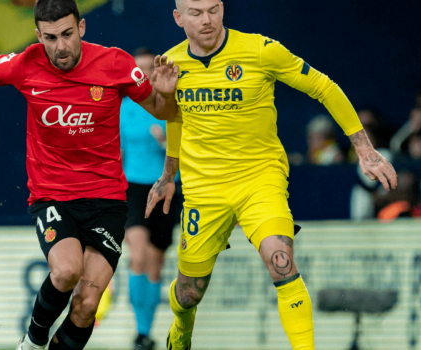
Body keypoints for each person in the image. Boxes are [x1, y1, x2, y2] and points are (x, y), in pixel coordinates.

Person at [0, 1, 180, 349]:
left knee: (87, 305)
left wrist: (166, 94)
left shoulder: (115, 63)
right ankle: (32, 341)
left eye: (67, 34)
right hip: (52, 194)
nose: (61, 46)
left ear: (83, 28)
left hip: (107, 200)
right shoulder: (26, 63)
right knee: (65, 271)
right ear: (38, 35)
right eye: (50, 37)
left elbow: (162, 110)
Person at [145, 1, 397, 349]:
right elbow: (176, 118)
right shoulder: (172, 63)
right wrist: (168, 174)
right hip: (205, 188)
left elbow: (323, 86)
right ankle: (181, 332)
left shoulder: (260, 50)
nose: (207, 20)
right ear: (178, 18)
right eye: (196, 12)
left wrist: (364, 149)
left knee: (281, 260)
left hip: (260, 179)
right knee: (189, 293)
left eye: (214, 9)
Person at [121, 47, 182, 350]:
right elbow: (113, 151)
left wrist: (165, 141)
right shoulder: (123, 106)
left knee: (156, 264)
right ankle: (139, 330)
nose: (143, 74)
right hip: (132, 187)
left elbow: (188, 146)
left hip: (167, 186)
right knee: (137, 256)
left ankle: (145, 332)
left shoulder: (171, 104)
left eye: (148, 68)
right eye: (138, 68)